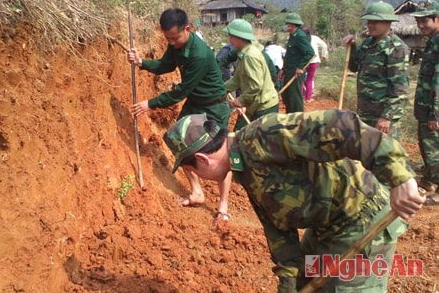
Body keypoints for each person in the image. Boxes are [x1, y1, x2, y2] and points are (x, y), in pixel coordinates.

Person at [163, 111, 425, 292]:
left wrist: (400, 176)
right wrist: (288, 278)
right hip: (326, 227)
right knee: (303, 281)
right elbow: (276, 224)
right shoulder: (241, 166)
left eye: (193, 171)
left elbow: (344, 126)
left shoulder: (266, 136)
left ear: (203, 160)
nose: (198, 177)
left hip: (362, 219)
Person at [127, 8, 232, 221]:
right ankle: (197, 191)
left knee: (222, 155)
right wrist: (141, 63)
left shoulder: (199, 54)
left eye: (175, 38)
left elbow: (181, 92)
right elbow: (165, 65)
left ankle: (223, 206)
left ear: (188, 29)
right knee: (178, 141)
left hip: (214, 106)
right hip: (195, 102)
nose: (172, 42)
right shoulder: (176, 44)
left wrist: (151, 104)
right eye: (168, 39)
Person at [343, 1, 409, 139]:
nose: (370, 25)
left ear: (388, 23)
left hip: (382, 113)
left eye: (375, 22)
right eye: (369, 21)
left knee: (385, 153)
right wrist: (353, 46)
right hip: (365, 110)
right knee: (366, 151)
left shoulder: (396, 48)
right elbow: (354, 67)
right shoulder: (368, 43)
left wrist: (386, 117)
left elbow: (399, 88)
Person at [222, 19, 279, 131]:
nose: (229, 40)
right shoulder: (243, 54)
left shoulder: (250, 56)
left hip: (264, 107)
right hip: (255, 105)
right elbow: (237, 79)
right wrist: (222, 89)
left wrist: (241, 100)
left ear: (239, 38)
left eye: (231, 37)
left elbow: (256, 86)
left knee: (259, 141)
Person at [410, 0, 439, 206]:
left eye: (425, 21)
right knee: (427, 145)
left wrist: (435, 114)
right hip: (425, 106)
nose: (421, 26)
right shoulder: (433, 40)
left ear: (437, 19)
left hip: (434, 109)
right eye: (418, 21)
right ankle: (430, 181)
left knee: (435, 148)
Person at [279, 13, 315, 113]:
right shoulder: (292, 36)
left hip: (295, 72)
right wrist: (283, 69)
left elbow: (310, 53)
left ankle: (299, 119)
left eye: (287, 23)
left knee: (294, 98)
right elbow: (290, 55)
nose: (285, 25)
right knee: (287, 96)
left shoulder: (300, 36)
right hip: (289, 71)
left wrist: (300, 67)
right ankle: (290, 117)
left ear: (293, 24)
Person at [303, 33, 328, 103]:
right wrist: (324, 55)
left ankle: (301, 96)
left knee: (301, 79)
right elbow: (324, 45)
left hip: (303, 61)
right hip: (314, 61)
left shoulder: (300, 38)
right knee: (309, 80)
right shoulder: (314, 38)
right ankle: (308, 98)